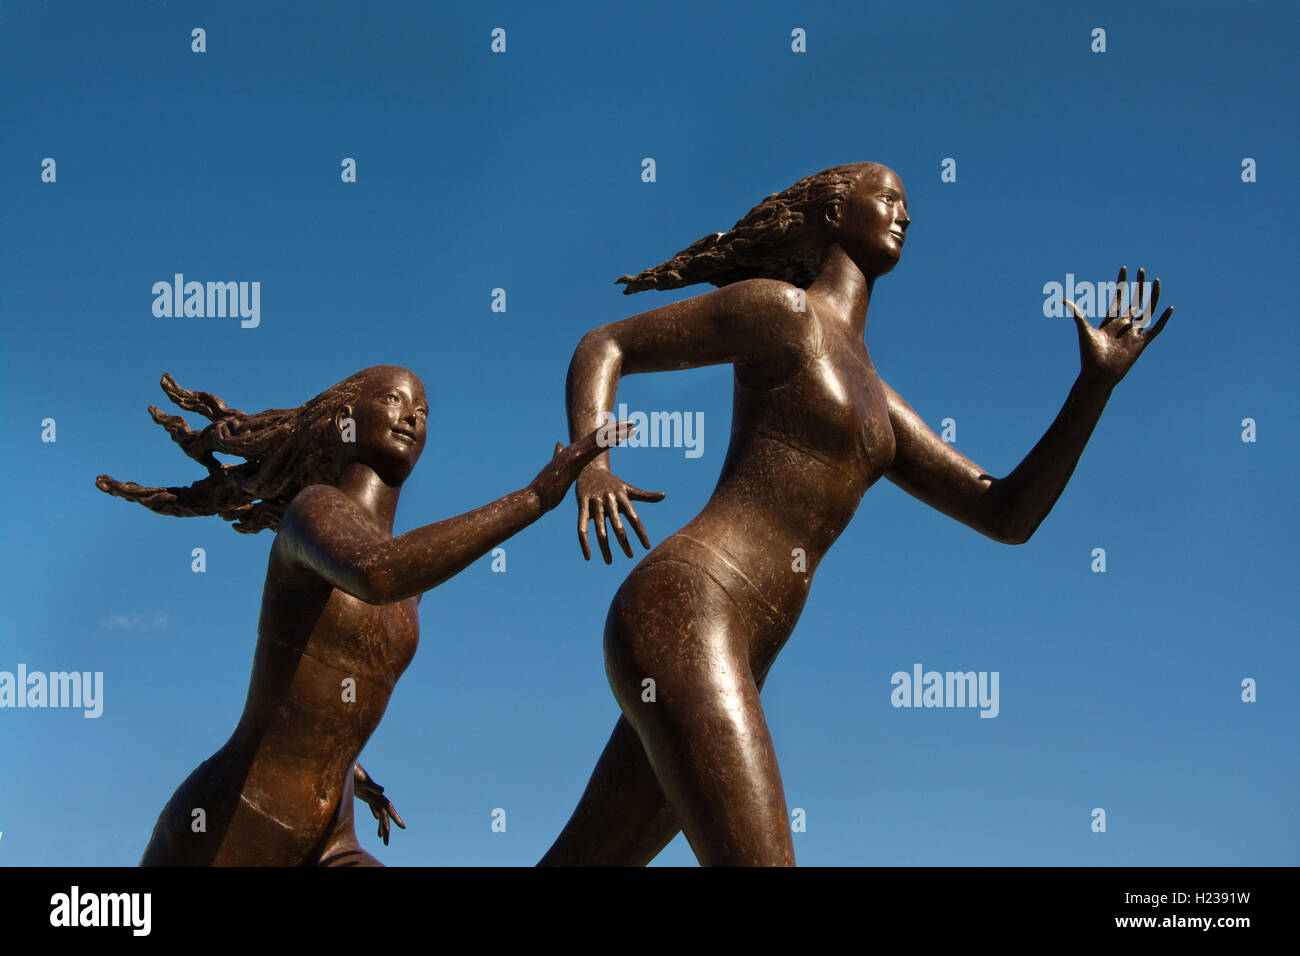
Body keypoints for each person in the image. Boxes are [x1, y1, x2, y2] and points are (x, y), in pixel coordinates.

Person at [540, 162, 1173, 866]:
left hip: (743, 649)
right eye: (889, 197)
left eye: (909, 205)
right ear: (835, 212)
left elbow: (1006, 513)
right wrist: (591, 465)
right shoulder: (781, 312)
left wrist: (1093, 388)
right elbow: (608, 344)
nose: (906, 214)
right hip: (692, 606)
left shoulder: (881, 403)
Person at [97, 364, 629, 865]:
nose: (414, 415)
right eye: (394, 398)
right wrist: (534, 497)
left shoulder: (408, 583)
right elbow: (374, 573)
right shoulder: (315, 509)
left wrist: (348, 769)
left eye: (423, 409)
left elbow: (335, 688)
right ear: (344, 420)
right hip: (239, 819)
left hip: (331, 835)